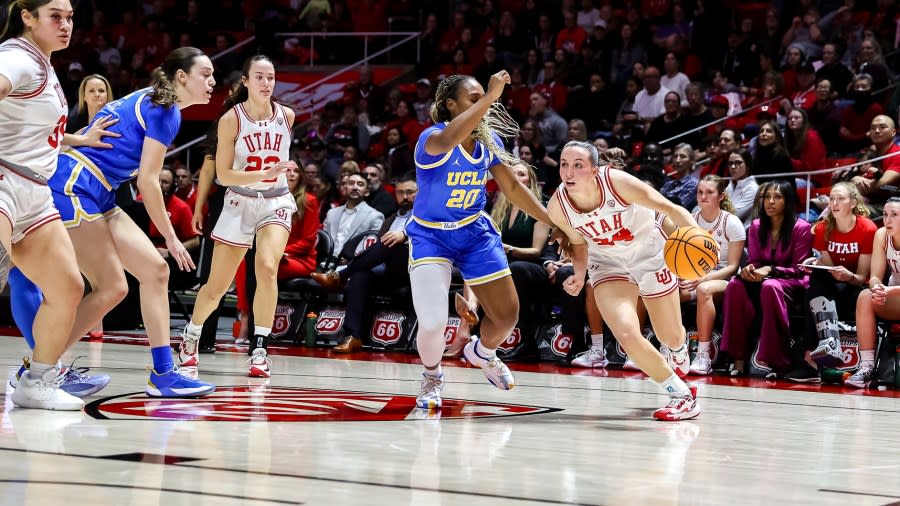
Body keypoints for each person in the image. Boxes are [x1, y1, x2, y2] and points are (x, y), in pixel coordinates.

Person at [9, 45, 218, 400]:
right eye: (206, 74)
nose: (213, 81)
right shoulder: (165, 111)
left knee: (154, 272)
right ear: (182, 76)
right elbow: (149, 182)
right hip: (75, 185)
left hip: (98, 190)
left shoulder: (157, 103)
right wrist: (171, 236)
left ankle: (163, 374)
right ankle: (38, 369)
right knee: (110, 287)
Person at [409, 71, 568, 410]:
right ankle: (432, 376)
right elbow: (452, 137)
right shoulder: (432, 138)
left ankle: (483, 352)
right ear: (451, 105)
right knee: (435, 323)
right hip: (430, 235)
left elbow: (512, 188)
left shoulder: (488, 141)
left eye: (486, 97)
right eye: (474, 97)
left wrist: (553, 222)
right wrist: (490, 97)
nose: (486, 103)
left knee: (507, 315)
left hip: (473, 231)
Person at [548, 140, 704, 421]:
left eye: (578, 165)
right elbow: (578, 243)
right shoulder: (558, 206)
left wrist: (698, 240)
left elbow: (670, 209)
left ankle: (679, 350)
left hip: (649, 253)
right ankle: (680, 394)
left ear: (595, 170)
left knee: (669, 335)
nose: (569, 172)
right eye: (564, 165)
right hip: (607, 264)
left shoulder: (618, 183)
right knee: (627, 333)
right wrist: (579, 275)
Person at [178, 55, 298, 378]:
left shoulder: (287, 116)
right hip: (240, 201)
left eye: (271, 77)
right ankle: (191, 336)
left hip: (276, 201)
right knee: (216, 286)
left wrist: (276, 175)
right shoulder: (231, 119)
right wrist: (263, 172)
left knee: (268, 268)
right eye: (259, 77)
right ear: (246, 81)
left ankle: (259, 347)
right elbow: (225, 176)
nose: (266, 83)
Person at [311, 172, 417, 353]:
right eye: (400, 192)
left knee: (391, 243)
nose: (405, 197)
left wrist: (403, 238)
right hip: (388, 270)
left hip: (413, 268)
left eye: (410, 192)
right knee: (361, 275)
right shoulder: (391, 218)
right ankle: (354, 336)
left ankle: (341, 275)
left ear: (420, 192)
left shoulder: (426, 216)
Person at [720, 180, 812, 377]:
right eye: (766, 197)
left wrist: (771, 270)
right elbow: (753, 260)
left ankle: (775, 361)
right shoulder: (755, 226)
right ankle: (737, 359)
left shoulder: (801, 228)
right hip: (766, 280)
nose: (770, 202)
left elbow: (800, 269)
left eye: (777, 197)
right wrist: (749, 270)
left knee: (770, 286)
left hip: (793, 283)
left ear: (788, 202)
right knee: (735, 286)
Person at [788, 182, 875, 382]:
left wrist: (848, 276)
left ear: (853, 203)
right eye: (832, 199)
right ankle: (827, 345)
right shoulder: (823, 228)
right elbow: (827, 266)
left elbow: (862, 276)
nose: (834, 203)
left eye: (840, 199)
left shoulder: (867, 228)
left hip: (856, 286)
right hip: (832, 284)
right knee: (816, 279)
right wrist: (815, 263)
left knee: (815, 292)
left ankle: (812, 360)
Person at [684, 176, 746, 375]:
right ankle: (672, 350)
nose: (703, 196)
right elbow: (684, 258)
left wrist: (705, 278)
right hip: (696, 275)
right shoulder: (691, 220)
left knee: (704, 289)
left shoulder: (732, 222)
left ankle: (703, 356)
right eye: (700, 192)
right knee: (669, 290)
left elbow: (734, 266)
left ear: (721, 196)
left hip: (725, 279)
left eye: (709, 192)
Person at [850, 197, 900, 388]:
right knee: (865, 297)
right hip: (894, 297)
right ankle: (867, 367)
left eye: (894, 215)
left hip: (894, 293)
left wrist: (889, 290)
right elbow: (875, 277)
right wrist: (878, 288)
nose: (887, 220)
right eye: (885, 214)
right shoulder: (881, 235)